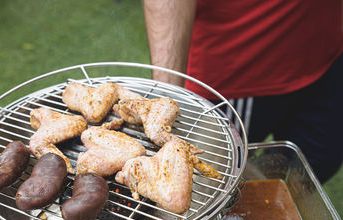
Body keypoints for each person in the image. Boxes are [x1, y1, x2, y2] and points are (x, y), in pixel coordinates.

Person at [143, 0, 343, 183]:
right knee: (215, 176)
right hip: (237, 76)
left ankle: (263, 192)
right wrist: (167, 100)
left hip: (327, 57)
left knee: (318, 161)